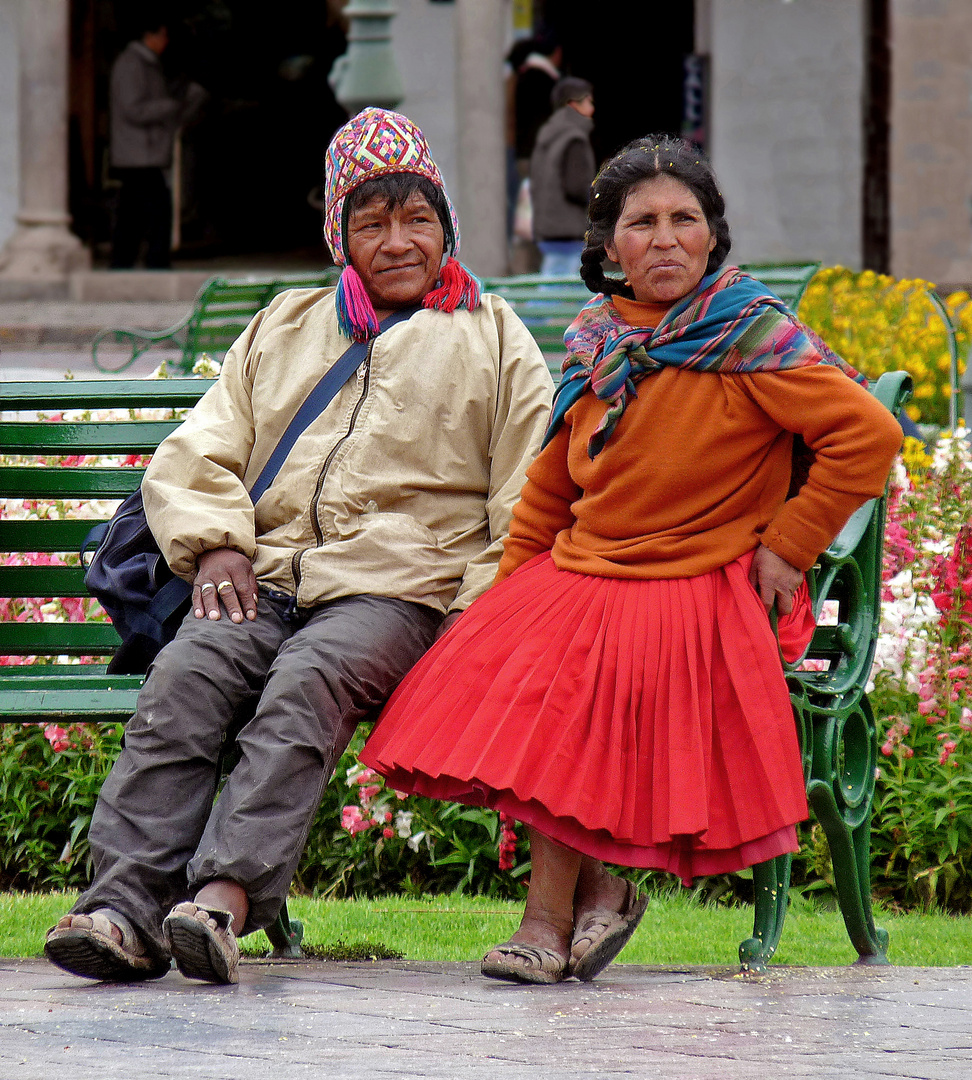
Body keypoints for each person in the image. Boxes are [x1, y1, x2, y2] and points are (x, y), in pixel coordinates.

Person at [360, 135, 903, 985]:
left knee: (576, 684)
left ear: (712, 236)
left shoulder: (749, 334)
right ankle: (603, 890)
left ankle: (546, 921)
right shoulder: (597, 339)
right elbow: (550, 486)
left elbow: (867, 435)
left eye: (684, 220)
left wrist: (789, 547)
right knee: (531, 668)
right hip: (588, 570)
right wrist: (508, 603)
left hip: (700, 578)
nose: (665, 239)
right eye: (641, 223)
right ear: (608, 245)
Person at [44, 108, 554, 985]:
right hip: (263, 573)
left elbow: (525, 496)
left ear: (445, 226)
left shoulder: (495, 337)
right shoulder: (287, 324)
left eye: (417, 218)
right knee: (188, 677)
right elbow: (197, 449)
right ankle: (121, 912)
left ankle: (220, 906)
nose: (398, 241)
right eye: (372, 222)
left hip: (399, 588)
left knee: (305, 684)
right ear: (340, 236)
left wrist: (476, 612)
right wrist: (215, 546)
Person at [108, 13, 206, 269]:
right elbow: (133, 109)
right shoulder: (131, 64)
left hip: (145, 152)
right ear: (149, 36)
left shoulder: (147, 64)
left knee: (133, 212)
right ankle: (152, 261)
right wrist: (170, 106)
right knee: (155, 209)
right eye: (163, 35)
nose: (165, 41)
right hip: (137, 153)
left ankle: (124, 261)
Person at [530, 77, 596, 277]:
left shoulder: (549, 134)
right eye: (589, 102)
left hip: (549, 227)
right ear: (574, 104)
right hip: (568, 229)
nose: (593, 109)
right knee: (560, 292)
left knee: (553, 284)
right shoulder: (574, 138)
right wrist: (598, 198)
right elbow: (576, 187)